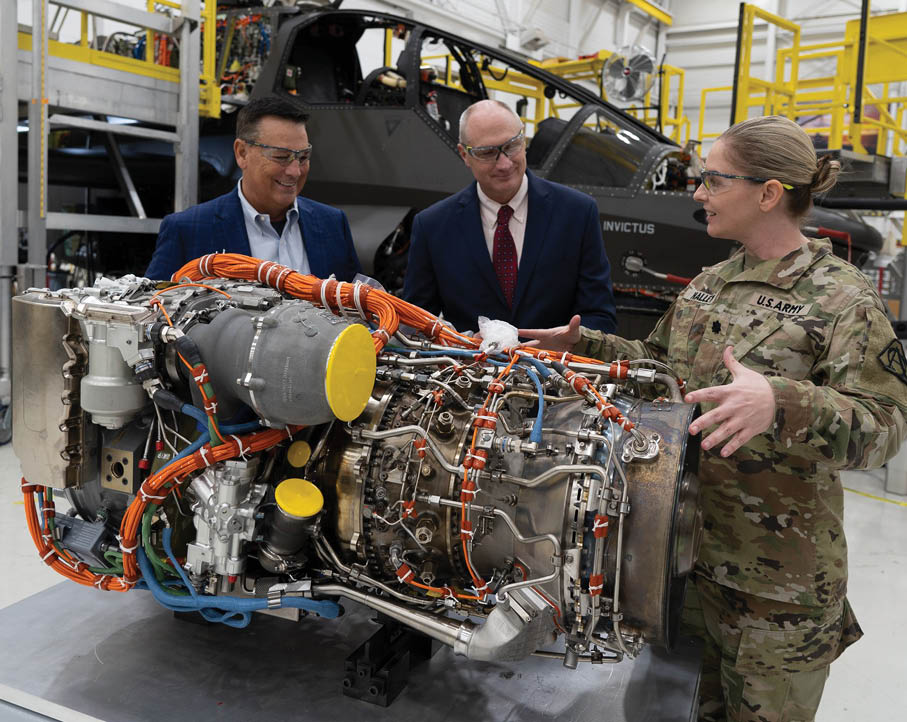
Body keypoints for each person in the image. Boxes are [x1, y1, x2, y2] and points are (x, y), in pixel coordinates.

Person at [521, 115, 907, 722]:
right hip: (681, 561)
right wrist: (586, 347)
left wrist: (781, 402)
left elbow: (886, 425)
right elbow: (657, 366)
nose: (699, 193)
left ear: (768, 193)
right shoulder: (710, 284)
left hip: (776, 593)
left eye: (714, 180)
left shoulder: (843, 298)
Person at [402, 99, 617, 333]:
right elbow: (415, 325)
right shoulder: (432, 227)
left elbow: (601, 317)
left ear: (524, 140)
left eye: (512, 145)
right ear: (464, 155)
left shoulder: (577, 213)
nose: (504, 164)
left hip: (555, 357)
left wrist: (571, 339)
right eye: (487, 153)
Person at [145, 96, 361, 281]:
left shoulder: (332, 225)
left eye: (303, 157)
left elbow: (358, 306)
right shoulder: (189, 231)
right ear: (242, 153)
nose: (295, 171)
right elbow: (152, 308)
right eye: (282, 157)